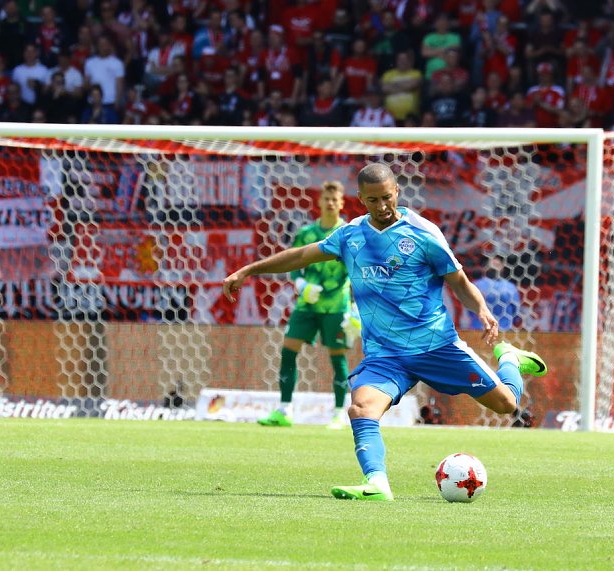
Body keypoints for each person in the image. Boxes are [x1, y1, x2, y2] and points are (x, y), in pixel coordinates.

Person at [223, 164, 547, 501]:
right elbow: (302, 256)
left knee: (506, 404)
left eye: (387, 197)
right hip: (385, 355)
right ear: (360, 198)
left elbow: (459, 282)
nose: (382, 206)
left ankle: (510, 360)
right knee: (361, 408)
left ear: (397, 192)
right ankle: (377, 483)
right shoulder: (349, 236)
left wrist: (481, 309)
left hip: (435, 346)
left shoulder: (423, 233)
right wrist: (249, 270)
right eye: (373, 200)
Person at [256, 181, 357, 430]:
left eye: (335, 199)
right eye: (327, 198)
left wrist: (355, 308)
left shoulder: (348, 233)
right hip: (307, 305)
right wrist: (301, 284)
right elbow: (293, 263)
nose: (330, 203)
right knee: (288, 348)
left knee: (337, 357)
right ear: (319, 202)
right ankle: (284, 410)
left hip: (336, 306)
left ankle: (338, 413)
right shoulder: (306, 233)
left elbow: (357, 270)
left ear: (341, 203)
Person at [469, 256, 520, 331]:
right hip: (483, 329)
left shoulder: (510, 287)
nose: (495, 264)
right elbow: (516, 313)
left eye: (497, 264)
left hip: (500, 329)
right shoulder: (476, 285)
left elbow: (516, 312)